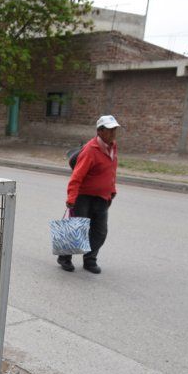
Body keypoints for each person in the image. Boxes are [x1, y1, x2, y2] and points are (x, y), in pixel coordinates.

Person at [57, 115, 120, 274]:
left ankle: (90, 260)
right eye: (110, 130)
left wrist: (112, 190)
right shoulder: (91, 150)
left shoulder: (113, 147)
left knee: (100, 231)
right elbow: (76, 176)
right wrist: (71, 198)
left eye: (115, 129)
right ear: (100, 131)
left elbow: (111, 171)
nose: (113, 133)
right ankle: (64, 258)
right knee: (77, 229)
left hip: (102, 197)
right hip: (83, 197)